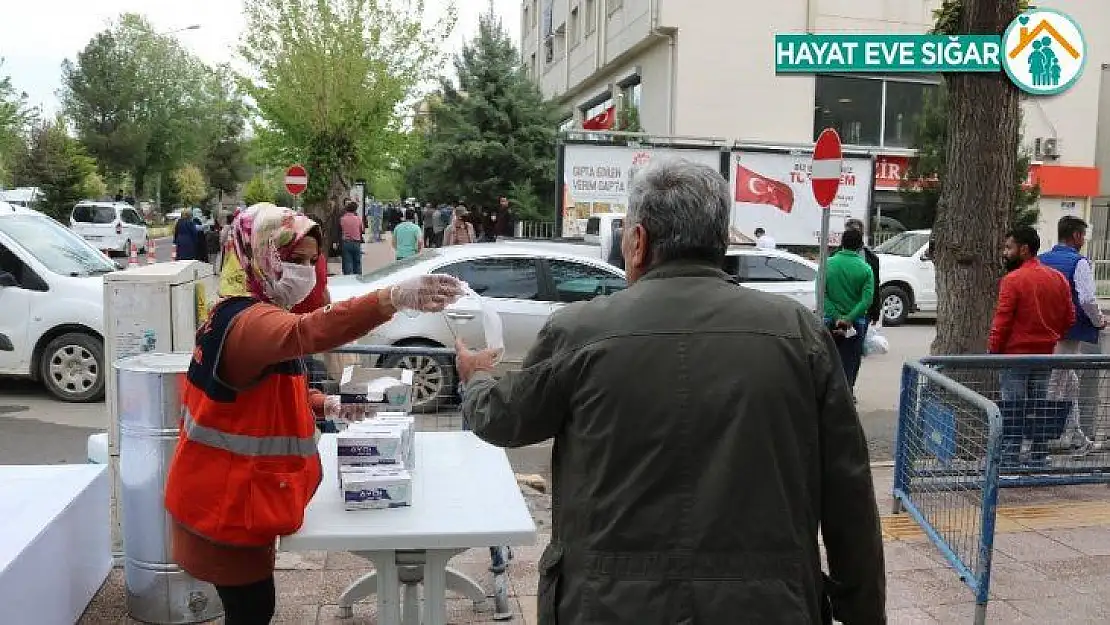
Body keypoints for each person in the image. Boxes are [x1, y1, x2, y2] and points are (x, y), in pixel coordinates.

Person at [454, 159, 885, 624]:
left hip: (609, 604)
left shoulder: (581, 332)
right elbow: (849, 491)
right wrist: (861, 611)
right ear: (720, 241)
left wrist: (475, 376)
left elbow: (503, 418)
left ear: (638, 242)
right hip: (768, 605)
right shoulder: (798, 334)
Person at [164, 203, 464, 625]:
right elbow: (309, 332)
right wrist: (390, 298)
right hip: (225, 508)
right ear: (260, 254)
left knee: (249, 609)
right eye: (292, 260)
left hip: (228, 499)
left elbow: (258, 399)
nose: (303, 272)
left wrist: (327, 404)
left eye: (310, 261)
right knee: (251, 611)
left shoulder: (240, 312)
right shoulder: (249, 323)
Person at [1039, 216, 1108, 449]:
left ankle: (1076, 435)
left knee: (1069, 382)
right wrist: (1099, 321)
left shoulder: (1041, 261)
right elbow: (1087, 299)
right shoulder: (1079, 262)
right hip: (1069, 332)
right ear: (1077, 236)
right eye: (1083, 235)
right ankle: (1044, 439)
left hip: (1043, 330)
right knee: (1058, 383)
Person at [989, 226, 1075, 391]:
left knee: (1014, 411)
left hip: (1014, 356)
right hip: (1045, 354)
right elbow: (1069, 317)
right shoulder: (1058, 278)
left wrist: (994, 349)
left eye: (1008, 247)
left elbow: (1002, 320)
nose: (1004, 253)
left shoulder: (1012, 280)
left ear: (1024, 249)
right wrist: (1052, 337)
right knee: (1037, 410)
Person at [823, 228, 875, 392]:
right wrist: (849, 318)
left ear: (841, 244)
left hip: (830, 322)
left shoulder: (827, 264)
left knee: (827, 362)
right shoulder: (866, 269)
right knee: (849, 364)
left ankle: (826, 396)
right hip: (855, 325)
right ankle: (846, 396)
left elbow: (821, 295)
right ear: (860, 246)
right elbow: (866, 300)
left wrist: (837, 316)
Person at [845, 218, 882, 326]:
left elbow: (875, 286)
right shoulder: (834, 258)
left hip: (862, 313)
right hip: (840, 311)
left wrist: (875, 313)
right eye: (850, 232)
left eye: (856, 233)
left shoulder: (872, 258)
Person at [339, 199, 364, 275]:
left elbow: (340, 229)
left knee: (347, 262)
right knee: (357, 262)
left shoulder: (342, 219)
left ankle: (348, 279)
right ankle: (358, 278)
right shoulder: (358, 219)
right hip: (356, 242)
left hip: (346, 242)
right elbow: (362, 230)